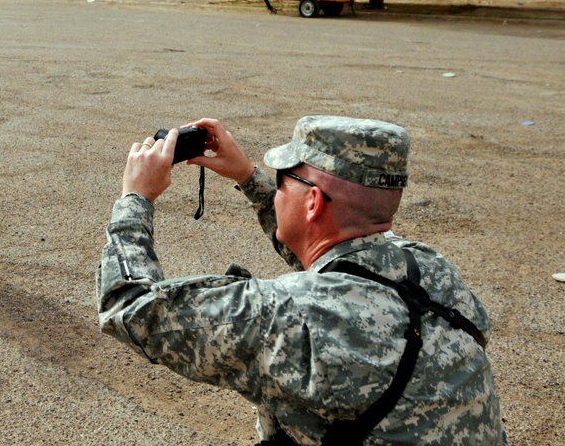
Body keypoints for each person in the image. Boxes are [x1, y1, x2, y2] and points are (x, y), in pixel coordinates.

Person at [96, 116, 506, 444]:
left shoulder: (289, 317)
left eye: (281, 180)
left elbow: (129, 307)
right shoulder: (428, 266)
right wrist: (247, 177)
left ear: (312, 202)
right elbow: (332, 250)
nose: (275, 188)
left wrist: (136, 198)